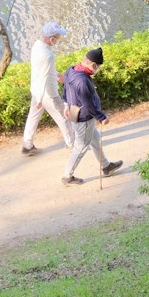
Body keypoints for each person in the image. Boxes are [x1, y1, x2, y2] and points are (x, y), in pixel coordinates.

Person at [61, 47, 122, 186]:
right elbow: (88, 105)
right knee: (80, 147)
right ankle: (67, 176)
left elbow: (65, 88)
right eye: (98, 67)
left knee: (94, 139)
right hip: (84, 117)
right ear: (93, 65)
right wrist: (102, 117)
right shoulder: (83, 81)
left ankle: (106, 166)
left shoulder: (71, 69)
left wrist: (65, 104)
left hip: (73, 111)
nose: (97, 69)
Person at [22, 21, 73, 155]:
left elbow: (41, 70)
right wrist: (40, 99)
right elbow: (44, 76)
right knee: (64, 117)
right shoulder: (48, 55)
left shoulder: (37, 46)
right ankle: (72, 143)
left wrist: (56, 75)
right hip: (48, 94)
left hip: (37, 90)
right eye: (57, 37)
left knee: (33, 117)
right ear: (51, 38)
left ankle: (27, 145)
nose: (58, 40)